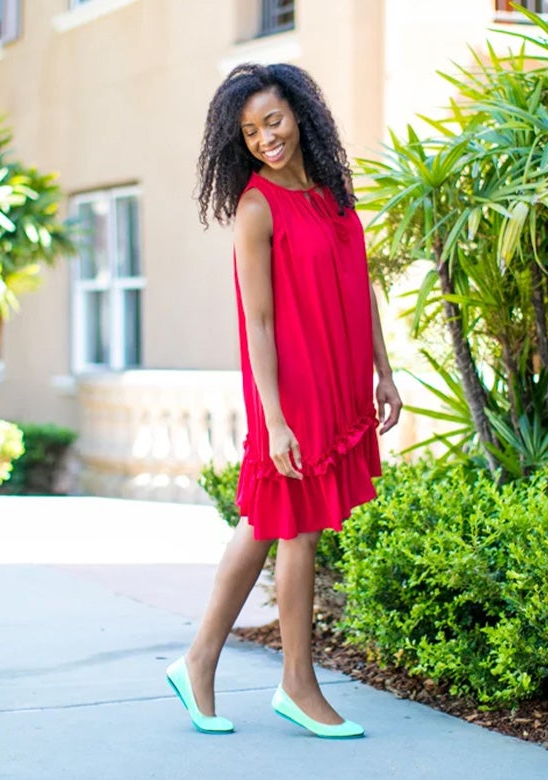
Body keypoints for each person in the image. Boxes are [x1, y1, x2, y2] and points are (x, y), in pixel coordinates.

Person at [166, 62, 402, 739]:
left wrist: (383, 370)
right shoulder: (256, 207)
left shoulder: (332, 194)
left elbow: (361, 287)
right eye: (249, 131)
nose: (265, 137)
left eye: (273, 121)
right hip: (292, 383)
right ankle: (297, 684)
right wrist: (273, 418)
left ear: (299, 113)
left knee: (268, 519)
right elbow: (260, 322)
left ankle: (198, 661)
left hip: (340, 371)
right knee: (294, 524)